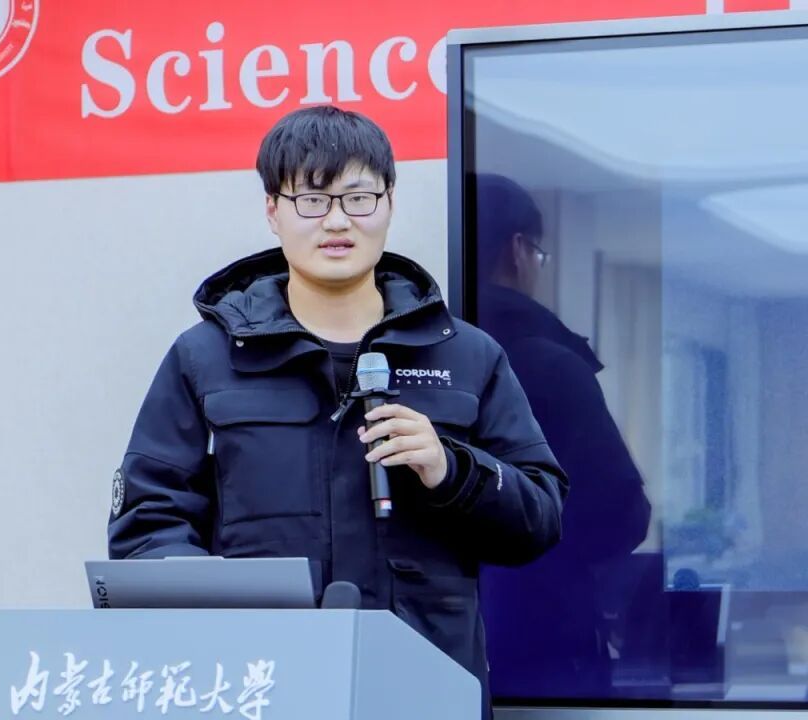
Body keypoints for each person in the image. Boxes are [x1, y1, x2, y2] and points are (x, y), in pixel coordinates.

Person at [108, 107, 568, 714]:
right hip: (261, 689)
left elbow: (540, 518)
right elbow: (147, 526)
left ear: (390, 203)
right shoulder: (206, 357)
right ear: (272, 209)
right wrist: (228, 617)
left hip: (424, 688)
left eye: (358, 197)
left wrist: (451, 469)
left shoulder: (466, 355)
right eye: (311, 199)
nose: (336, 221)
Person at [474, 174, 652, 698]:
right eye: (539, 255)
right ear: (518, 251)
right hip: (544, 643)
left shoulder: (410, 359)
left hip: (436, 640)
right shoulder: (549, 365)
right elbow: (618, 515)